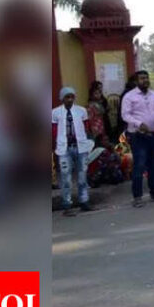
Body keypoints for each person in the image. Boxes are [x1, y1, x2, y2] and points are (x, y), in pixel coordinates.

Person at [120, 70, 154, 207]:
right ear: (136, 81)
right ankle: (137, 197)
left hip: (153, 134)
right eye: (142, 78)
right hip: (138, 135)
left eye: (147, 78)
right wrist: (139, 124)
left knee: (153, 165)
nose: (145, 80)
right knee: (139, 165)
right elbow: (125, 115)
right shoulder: (129, 96)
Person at [52, 87, 96, 216]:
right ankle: (67, 204)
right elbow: (53, 131)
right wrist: (55, 146)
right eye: (67, 97)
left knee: (82, 176)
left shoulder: (81, 111)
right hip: (64, 148)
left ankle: (84, 201)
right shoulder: (55, 113)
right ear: (62, 98)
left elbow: (87, 127)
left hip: (80, 147)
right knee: (66, 178)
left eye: (72, 96)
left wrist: (89, 142)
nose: (70, 99)